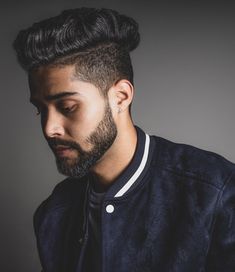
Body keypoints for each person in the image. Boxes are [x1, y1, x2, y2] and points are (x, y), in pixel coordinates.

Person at [13, 7, 235, 272]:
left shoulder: (216, 192)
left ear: (120, 97)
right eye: (40, 109)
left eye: (68, 106)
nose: (49, 128)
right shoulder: (53, 215)